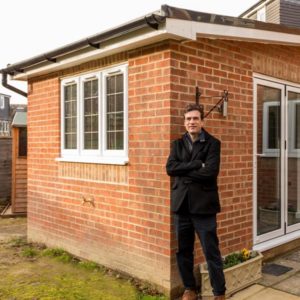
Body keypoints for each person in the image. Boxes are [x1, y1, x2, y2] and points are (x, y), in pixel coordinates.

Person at [166, 103, 226, 300]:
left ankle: (219, 293)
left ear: (202, 121)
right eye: (188, 119)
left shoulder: (213, 143)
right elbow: (170, 168)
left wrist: (185, 172)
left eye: (195, 118)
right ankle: (189, 289)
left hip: (204, 207)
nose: (192, 122)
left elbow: (210, 172)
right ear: (185, 122)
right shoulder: (177, 144)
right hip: (182, 205)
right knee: (184, 250)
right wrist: (195, 165)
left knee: (211, 251)